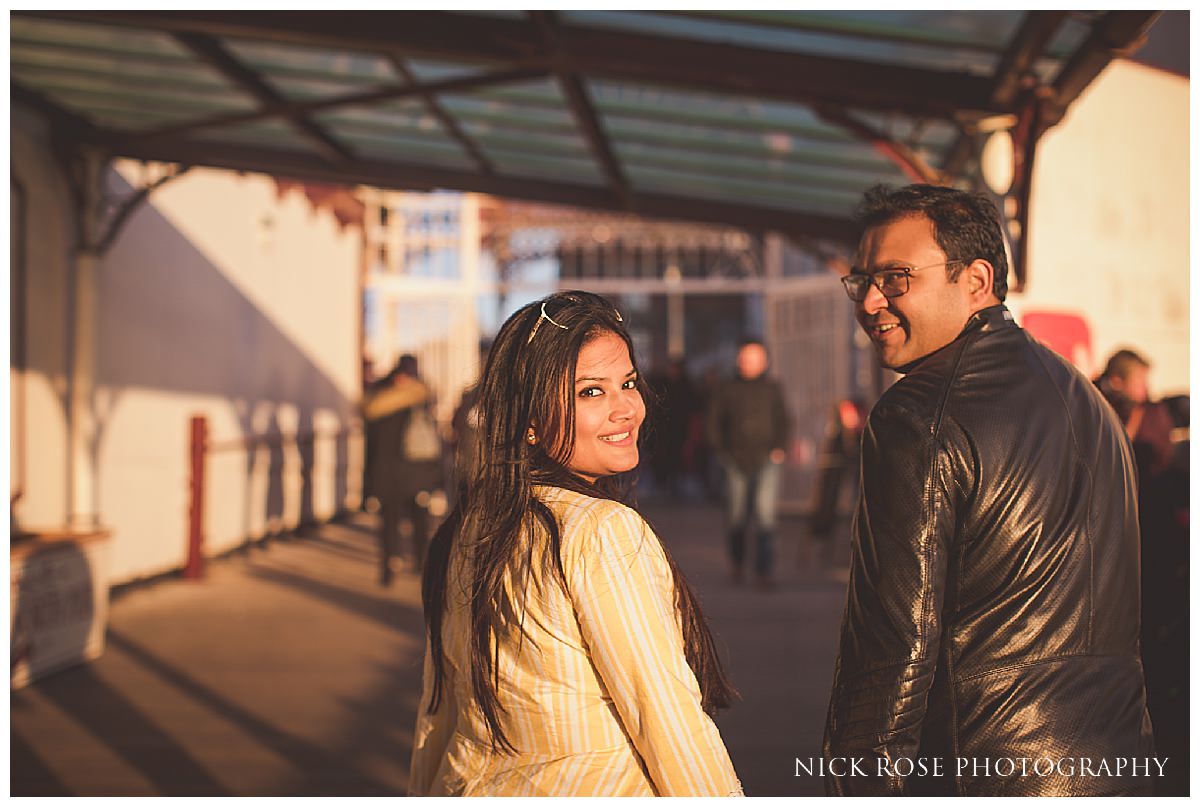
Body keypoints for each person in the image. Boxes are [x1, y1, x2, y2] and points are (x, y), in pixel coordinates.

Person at [823, 184, 1154, 796]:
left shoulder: (917, 414)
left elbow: (893, 645)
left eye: (896, 278)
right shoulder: (1087, 399)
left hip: (981, 764)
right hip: (1115, 764)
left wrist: (861, 783)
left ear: (976, 280)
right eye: (862, 280)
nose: (870, 302)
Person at [409, 291, 742, 796]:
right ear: (530, 421)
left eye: (628, 383)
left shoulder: (469, 526)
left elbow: (438, 715)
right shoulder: (601, 531)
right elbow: (666, 717)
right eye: (591, 392)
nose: (627, 408)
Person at [706, 339, 790, 587]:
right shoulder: (726, 388)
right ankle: (737, 564)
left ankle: (764, 571)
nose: (750, 363)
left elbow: (783, 419)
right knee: (736, 517)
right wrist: (722, 451)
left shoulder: (772, 388)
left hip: (767, 458)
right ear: (738, 359)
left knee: (766, 517)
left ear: (764, 361)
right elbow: (713, 421)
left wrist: (779, 448)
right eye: (745, 357)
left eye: (755, 358)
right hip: (734, 460)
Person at [362, 354, 443, 584]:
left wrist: (368, 482)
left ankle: (391, 566)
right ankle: (417, 563)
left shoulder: (377, 401)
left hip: (389, 473)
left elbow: (372, 444)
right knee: (417, 520)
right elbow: (431, 442)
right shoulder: (420, 397)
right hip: (414, 473)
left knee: (391, 521)